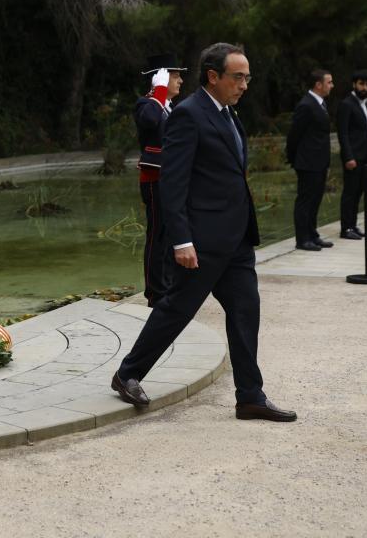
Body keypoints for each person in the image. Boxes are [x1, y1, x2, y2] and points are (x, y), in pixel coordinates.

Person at [111, 43, 296, 422]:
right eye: (238, 77)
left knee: (246, 310)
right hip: (203, 240)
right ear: (213, 76)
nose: (245, 84)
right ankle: (127, 373)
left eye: (247, 77)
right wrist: (181, 239)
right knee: (176, 309)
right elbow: (172, 183)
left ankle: (250, 397)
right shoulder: (188, 115)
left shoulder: (229, 114)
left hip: (236, 239)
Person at [135, 53, 187, 306]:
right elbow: (150, 122)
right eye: (175, 76)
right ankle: (155, 292)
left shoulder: (169, 107)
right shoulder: (147, 104)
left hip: (171, 179)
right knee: (157, 236)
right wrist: (159, 90)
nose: (180, 81)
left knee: (169, 235)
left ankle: (167, 284)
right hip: (154, 180)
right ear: (162, 78)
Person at [286, 69, 335, 251]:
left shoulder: (320, 104)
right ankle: (302, 239)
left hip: (319, 161)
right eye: (329, 82)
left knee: (315, 199)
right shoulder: (306, 105)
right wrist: (293, 158)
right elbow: (294, 135)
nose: (332, 86)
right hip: (307, 162)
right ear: (318, 84)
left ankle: (313, 234)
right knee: (305, 200)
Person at [338, 70, 367, 240]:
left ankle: (353, 224)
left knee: (360, 192)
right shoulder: (347, 104)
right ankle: (345, 228)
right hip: (353, 156)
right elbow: (343, 133)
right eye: (361, 84)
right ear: (354, 84)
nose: (364, 87)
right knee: (350, 192)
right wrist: (348, 157)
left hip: (366, 155)